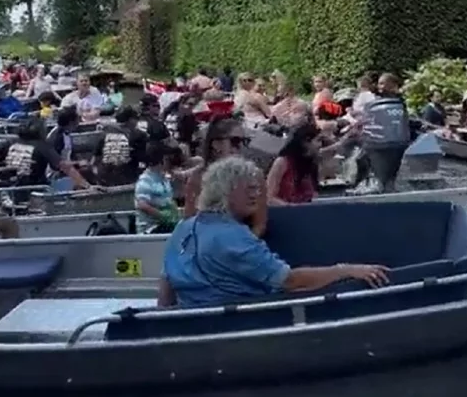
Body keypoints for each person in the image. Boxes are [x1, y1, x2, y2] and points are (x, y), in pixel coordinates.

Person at [158, 157, 389, 308]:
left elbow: (166, 282)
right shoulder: (233, 237)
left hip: (196, 318)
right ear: (225, 192)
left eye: (257, 189)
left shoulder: (184, 228)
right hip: (238, 322)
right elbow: (290, 281)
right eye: (249, 189)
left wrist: (162, 321)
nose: (256, 195)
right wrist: (345, 270)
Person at [182, 116, 262, 231]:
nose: (240, 147)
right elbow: (189, 220)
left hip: (243, 241)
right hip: (206, 240)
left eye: (245, 141)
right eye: (235, 141)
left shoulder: (254, 175)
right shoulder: (198, 177)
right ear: (216, 144)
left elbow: (259, 224)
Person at [3, 119, 95, 191]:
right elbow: (65, 167)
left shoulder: (10, 143)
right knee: (70, 183)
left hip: (9, 188)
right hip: (37, 190)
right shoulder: (43, 146)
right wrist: (87, 186)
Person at [134, 141, 182, 234]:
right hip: (150, 229)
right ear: (160, 160)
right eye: (168, 159)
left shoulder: (164, 178)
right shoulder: (145, 180)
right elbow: (142, 205)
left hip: (166, 225)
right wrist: (162, 215)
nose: (170, 162)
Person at [93, 106, 147, 186]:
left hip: (104, 177)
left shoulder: (105, 132)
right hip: (127, 177)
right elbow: (145, 158)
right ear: (130, 120)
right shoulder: (138, 135)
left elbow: (95, 158)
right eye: (136, 119)